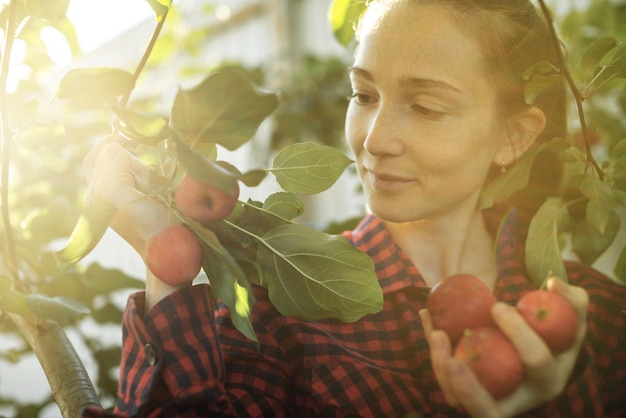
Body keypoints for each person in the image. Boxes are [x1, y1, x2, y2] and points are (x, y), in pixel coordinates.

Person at [80, 0, 626, 417]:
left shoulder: (605, 320)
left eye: (427, 107)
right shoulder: (280, 310)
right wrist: (164, 254)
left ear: (513, 137)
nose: (374, 139)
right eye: (364, 95)